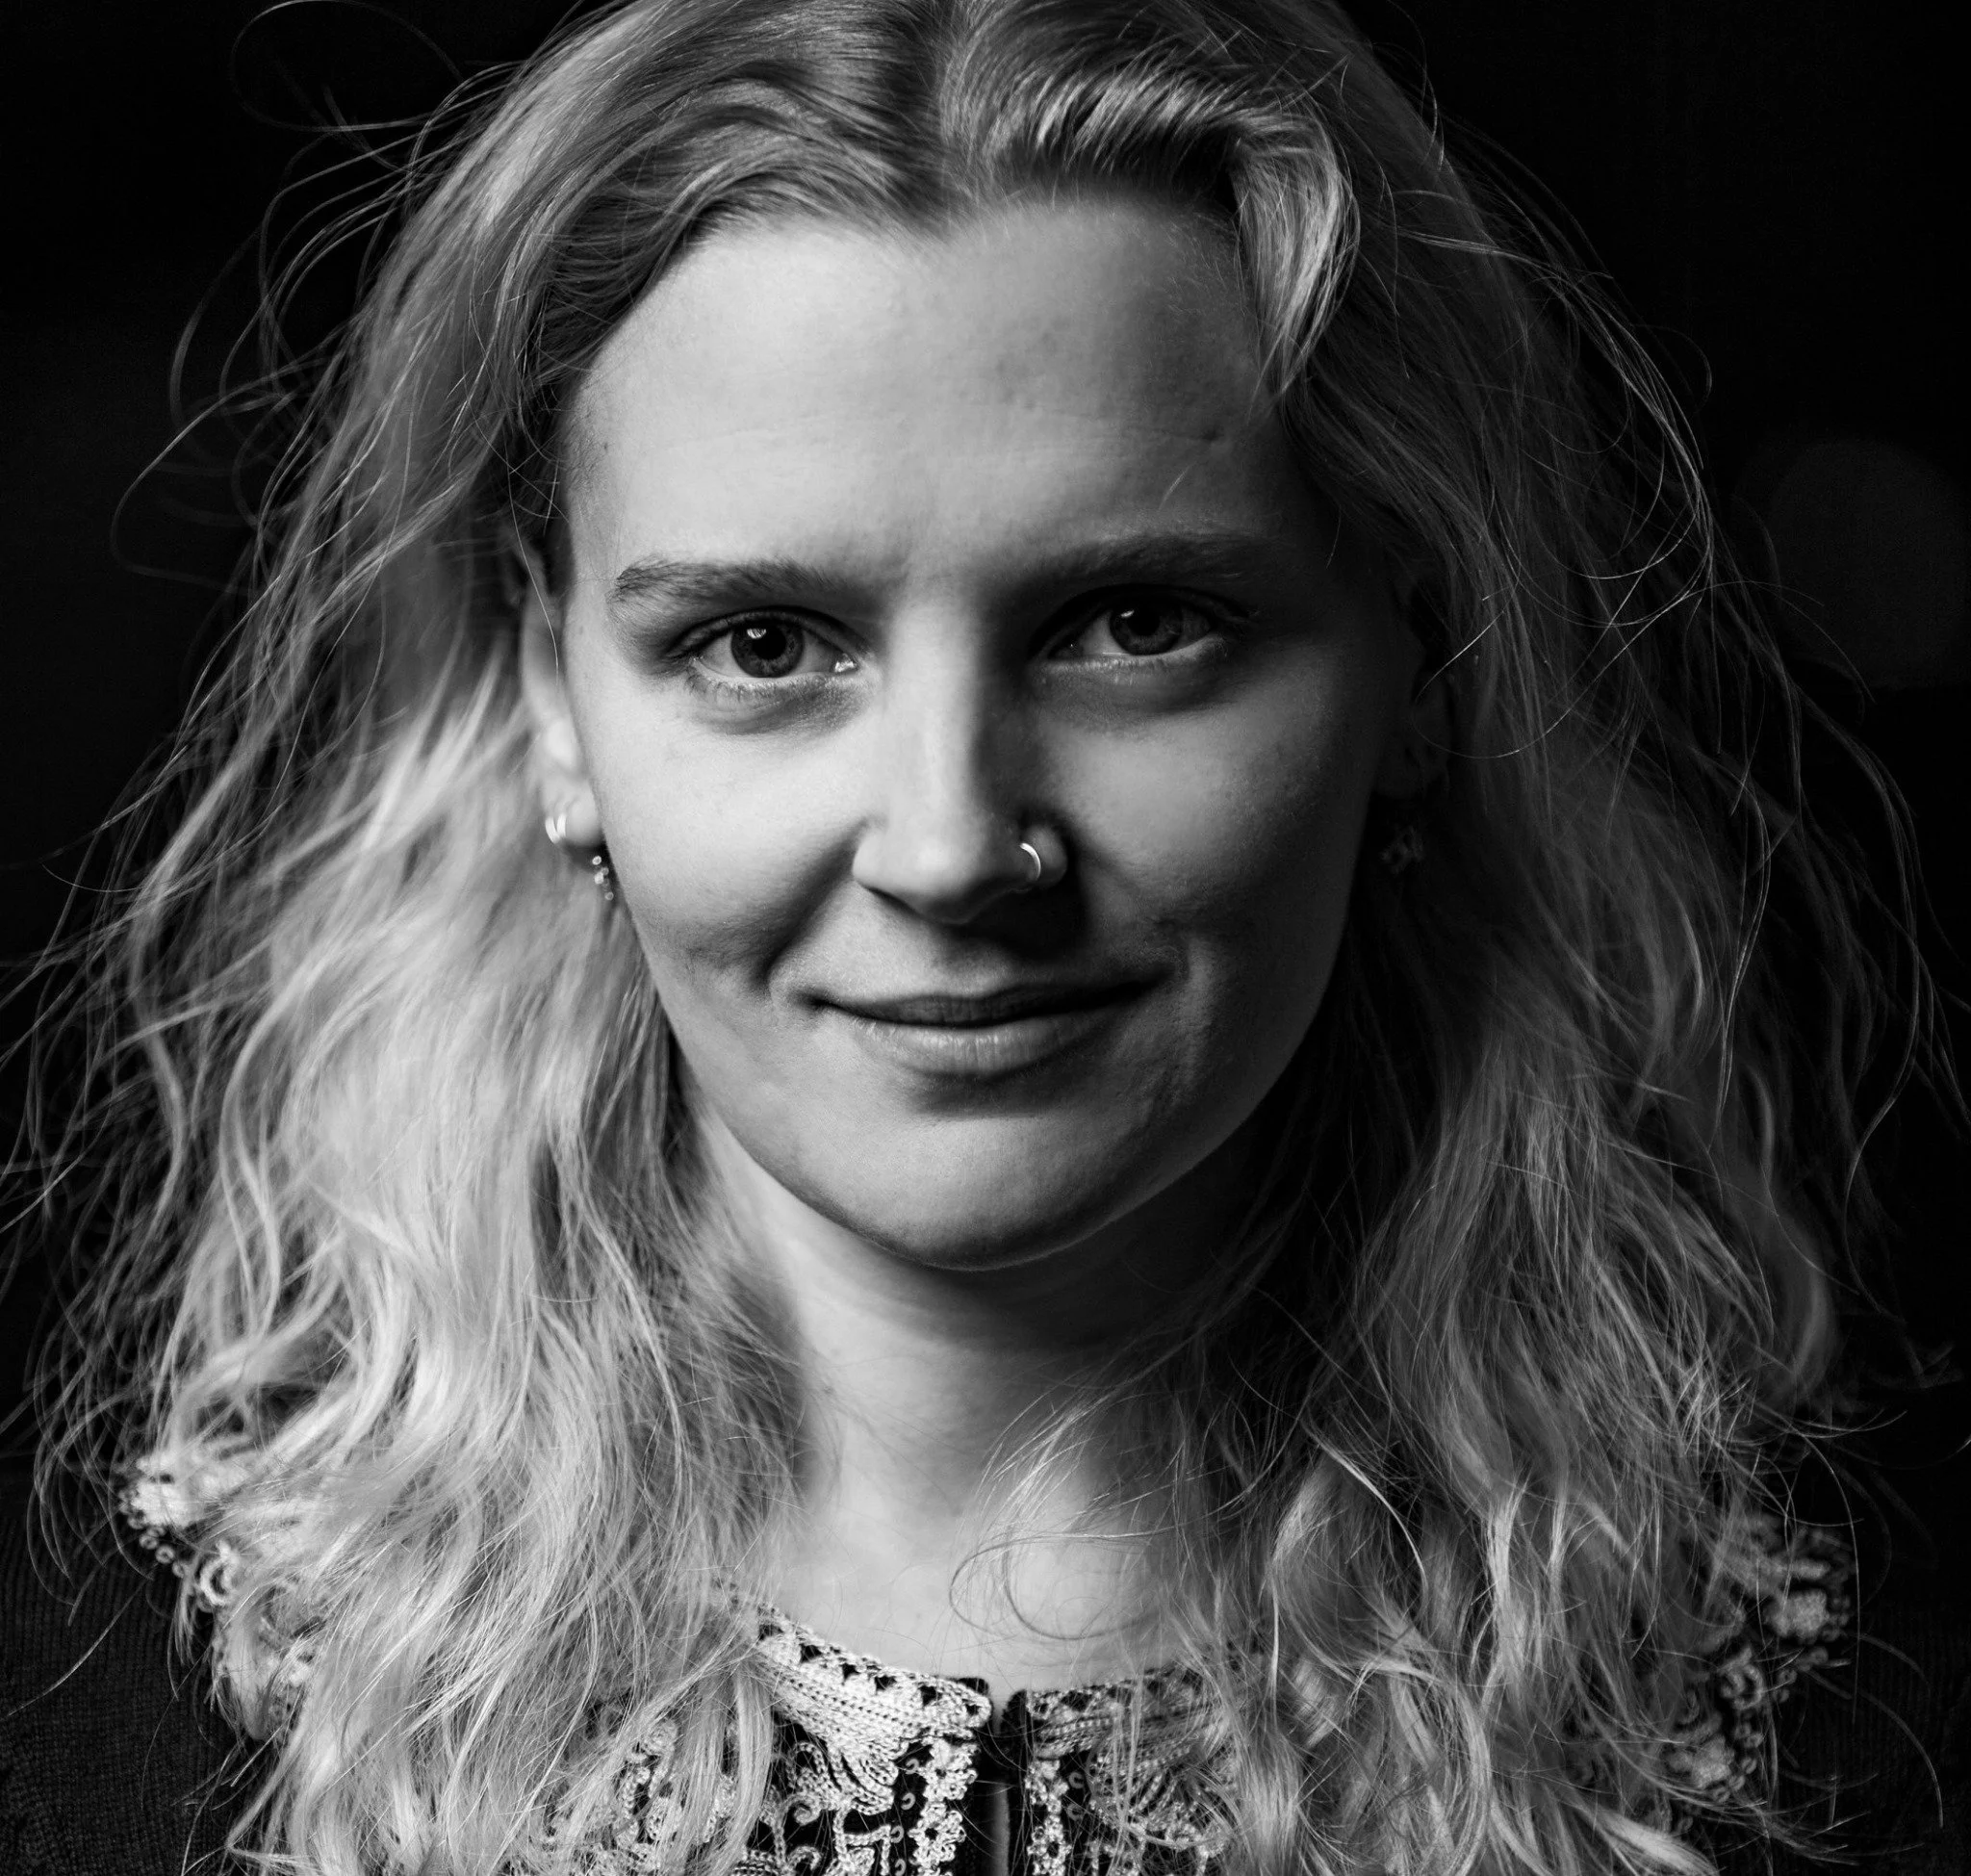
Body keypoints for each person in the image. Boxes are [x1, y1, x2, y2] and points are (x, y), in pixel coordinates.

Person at [3, 1, 1965, 1871]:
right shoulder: (103, 1697)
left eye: (1132, 623)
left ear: (1419, 661)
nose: (951, 846)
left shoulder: (1853, 1717)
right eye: (762, 645)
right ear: (551, 701)